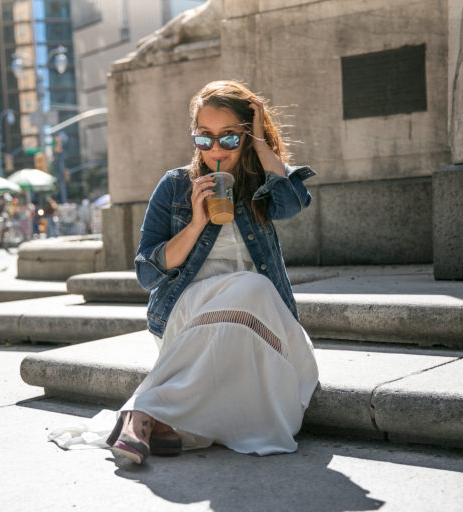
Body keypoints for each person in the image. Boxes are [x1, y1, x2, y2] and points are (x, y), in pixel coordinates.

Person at [104, 80, 320, 464]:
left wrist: (260, 145)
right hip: (187, 317)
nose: (216, 149)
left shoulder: (261, 185)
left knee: (256, 297)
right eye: (205, 138)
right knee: (252, 286)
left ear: (247, 136)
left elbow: (293, 202)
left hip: (256, 316)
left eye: (229, 139)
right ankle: (140, 411)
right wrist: (195, 223)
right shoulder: (174, 186)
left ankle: (160, 418)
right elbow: (146, 273)